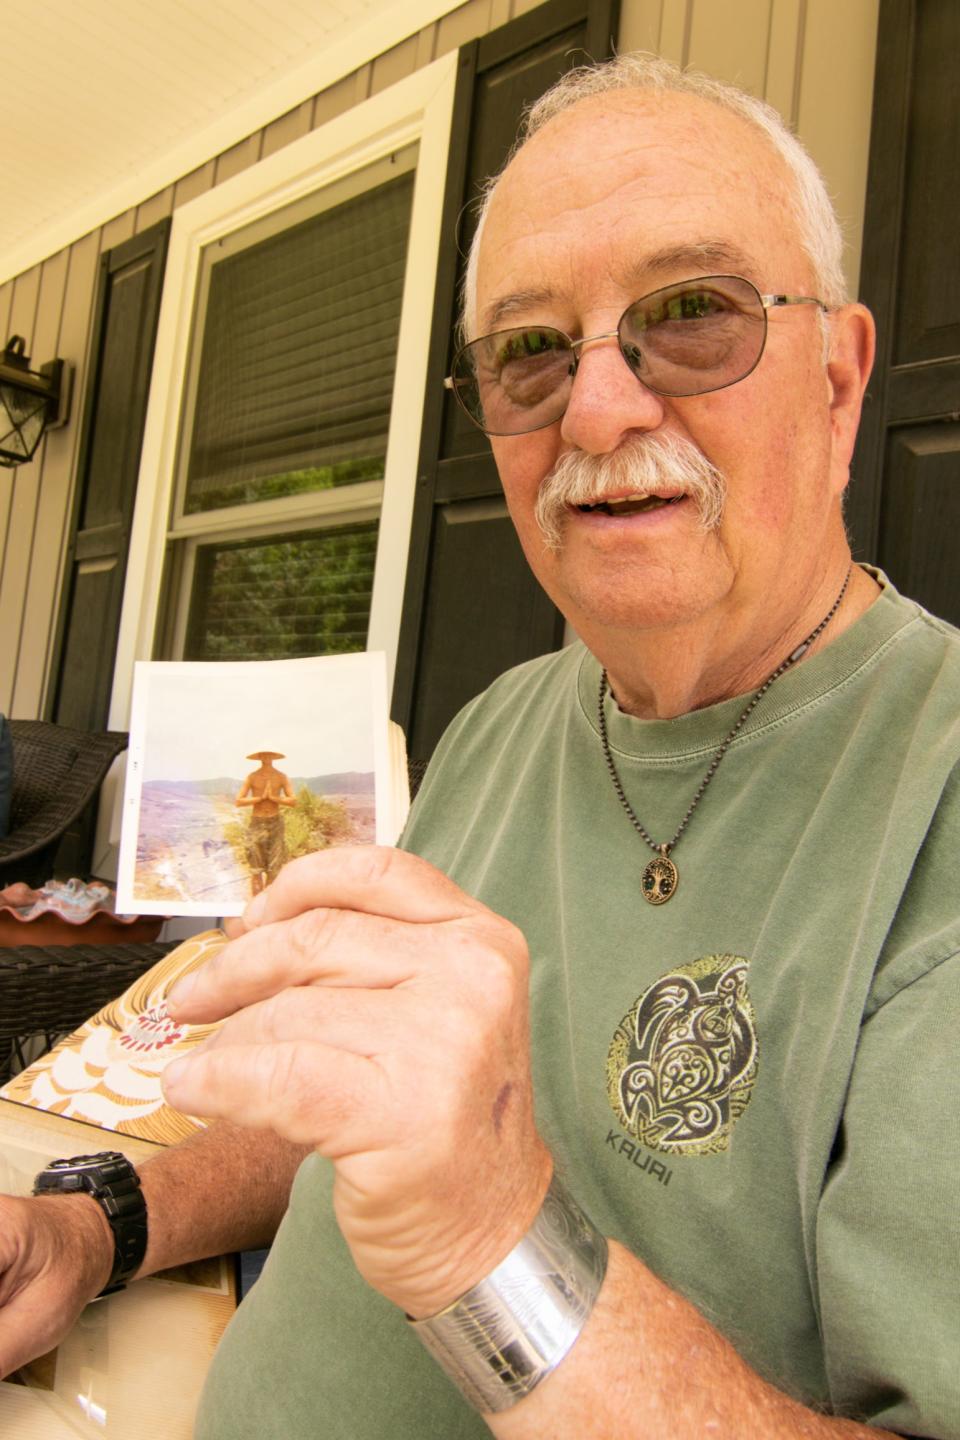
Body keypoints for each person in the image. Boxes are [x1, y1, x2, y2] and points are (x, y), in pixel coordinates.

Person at [2, 52, 958, 1440]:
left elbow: (462, 1194)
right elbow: (375, 1107)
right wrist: (100, 1228)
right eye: (530, 351)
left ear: (839, 378)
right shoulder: (509, 719)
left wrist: (500, 1249)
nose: (597, 408)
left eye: (692, 316)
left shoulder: (930, 805)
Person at [235, 749, 297, 894]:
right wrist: (260, 798)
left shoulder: (281, 777)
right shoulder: (252, 777)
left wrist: (274, 798)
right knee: (255, 867)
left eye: (270, 755)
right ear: (260, 757)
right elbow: (239, 801)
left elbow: (293, 801)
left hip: (275, 823)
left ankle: (267, 906)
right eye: (264, 754)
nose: (267, 757)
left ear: (274, 757)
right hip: (257, 823)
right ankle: (256, 905)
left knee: (274, 867)